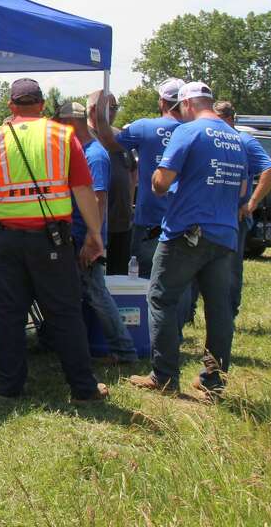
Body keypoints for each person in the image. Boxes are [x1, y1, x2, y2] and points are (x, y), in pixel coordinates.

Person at [0, 79, 109, 403]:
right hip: (52, 242)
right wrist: (95, 235)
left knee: (10, 315)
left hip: (8, 242)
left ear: (11, 106)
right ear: (42, 104)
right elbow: (84, 190)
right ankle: (83, 389)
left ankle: (9, 388)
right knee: (65, 313)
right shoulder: (62, 137)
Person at [128, 82, 268, 401]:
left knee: (161, 297)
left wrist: (154, 179)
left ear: (188, 104)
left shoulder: (188, 132)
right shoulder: (236, 137)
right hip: (224, 233)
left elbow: (162, 183)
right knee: (219, 309)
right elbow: (245, 188)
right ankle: (213, 381)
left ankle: (164, 376)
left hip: (186, 232)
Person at [56, 101, 137, 364]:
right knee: (87, 292)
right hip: (80, 233)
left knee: (97, 293)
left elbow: (99, 199)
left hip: (85, 237)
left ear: (70, 123)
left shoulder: (93, 155)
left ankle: (124, 351)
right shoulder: (84, 150)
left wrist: (93, 239)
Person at [96, 78, 185, 277]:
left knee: (146, 283)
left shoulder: (145, 128)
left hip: (150, 222)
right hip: (187, 223)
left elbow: (109, 142)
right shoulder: (196, 131)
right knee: (183, 287)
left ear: (162, 102)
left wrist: (101, 114)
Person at [213, 102, 271, 316]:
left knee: (230, 268)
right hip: (209, 213)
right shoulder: (211, 139)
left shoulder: (244, 141)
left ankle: (229, 313)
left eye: (219, 118)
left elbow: (269, 169)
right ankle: (190, 313)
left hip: (235, 217)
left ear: (230, 119)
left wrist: (252, 202)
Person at [87, 89, 137, 276]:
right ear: (94, 110)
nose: (115, 112)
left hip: (122, 223)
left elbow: (133, 170)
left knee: (120, 278)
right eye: (110, 107)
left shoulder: (119, 136)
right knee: (97, 281)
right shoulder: (85, 137)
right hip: (96, 225)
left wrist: (129, 203)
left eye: (116, 107)